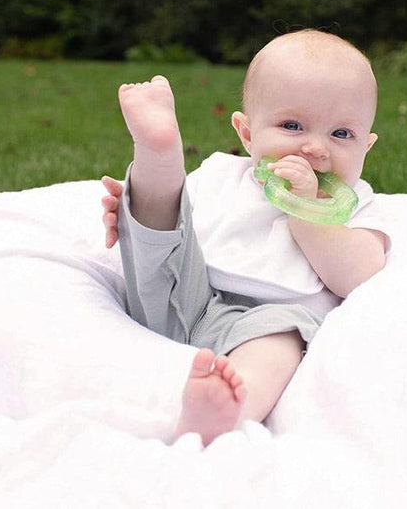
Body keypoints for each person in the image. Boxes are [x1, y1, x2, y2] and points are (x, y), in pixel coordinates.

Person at [101, 30, 390, 445]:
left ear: (367, 144)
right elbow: (176, 225)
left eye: (341, 134)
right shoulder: (223, 175)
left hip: (266, 318)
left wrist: (306, 209)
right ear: (247, 133)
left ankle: (227, 405)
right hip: (189, 291)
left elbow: (361, 274)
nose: (314, 148)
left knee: (282, 340)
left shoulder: (354, 204)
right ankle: (157, 151)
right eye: (292, 126)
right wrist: (138, 217)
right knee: (164, 211)